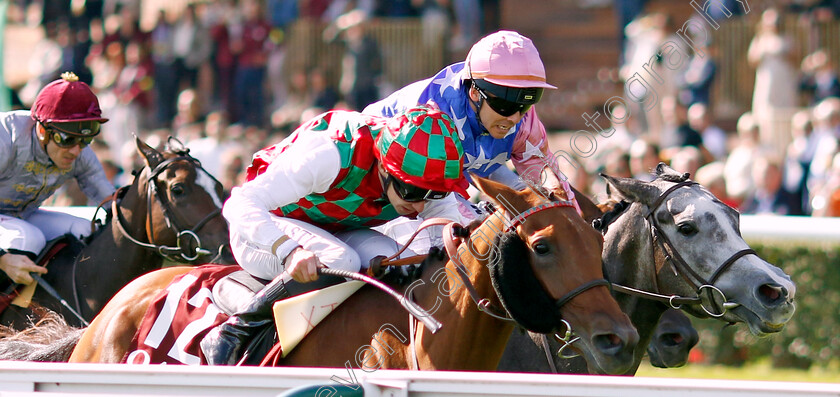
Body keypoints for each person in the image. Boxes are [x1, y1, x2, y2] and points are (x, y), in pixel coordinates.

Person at [200, 105, 468, 365]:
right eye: (411, 193)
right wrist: (289, 250)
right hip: (261, 232)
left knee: (407, 263)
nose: (420, 206)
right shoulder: (332, 154)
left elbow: (452, 246)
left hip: (334, 230)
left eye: (433, 194)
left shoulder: (420, 176)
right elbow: (239, 203)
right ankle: (235, 330)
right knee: (341, 260)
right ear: (385, 168)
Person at [364, 30, 577, 217]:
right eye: (504, 104)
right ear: (475, 92)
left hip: (466, 162)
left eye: (527, 101)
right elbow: (437, 197)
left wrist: (576, 223)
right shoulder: (434, 116)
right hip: (398, 184)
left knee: (533, 203)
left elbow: (549, 180)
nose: (514, 117)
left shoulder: (523, 119)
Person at [0, 72, 115, 287]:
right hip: (16, 225)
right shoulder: (5, 138)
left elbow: (112, 203)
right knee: (27, 238)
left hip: (23, 215)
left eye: (85, 139)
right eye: (67, 138)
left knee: (87, 233)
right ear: (42, 130)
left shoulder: (81, 153)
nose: (75, 150)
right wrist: (3, 260)